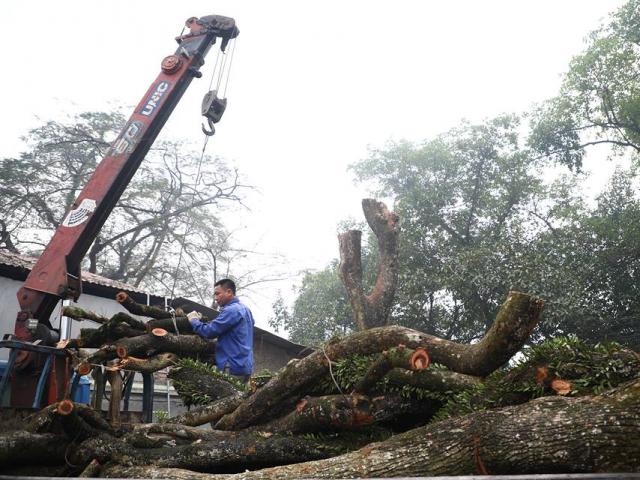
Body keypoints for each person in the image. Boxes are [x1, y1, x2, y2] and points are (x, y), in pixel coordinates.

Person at [187, 279, 254, 383]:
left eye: (218, 294)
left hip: (232, 365)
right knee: (241, 397)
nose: (215, 298)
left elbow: (209, 332)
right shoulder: (246, 310)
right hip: (245, 365)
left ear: (229, 292)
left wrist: (194, 321)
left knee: (227, 398)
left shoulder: (231, 310)